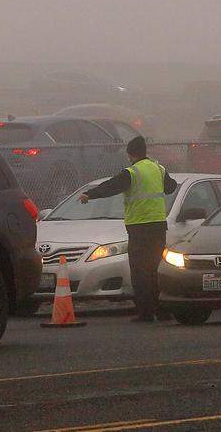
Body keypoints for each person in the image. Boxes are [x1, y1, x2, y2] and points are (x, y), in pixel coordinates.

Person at [79, 136, 177, 322]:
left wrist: (89, 195)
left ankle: (145, 313)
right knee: (156, 268)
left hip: (139, 227)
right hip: (157, 225)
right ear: (145, 151)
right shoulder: (159, 168)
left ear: (130, 154)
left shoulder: (131, 172)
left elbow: (110, 187)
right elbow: (170, 188)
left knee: (140, 270)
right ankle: (163, 311)